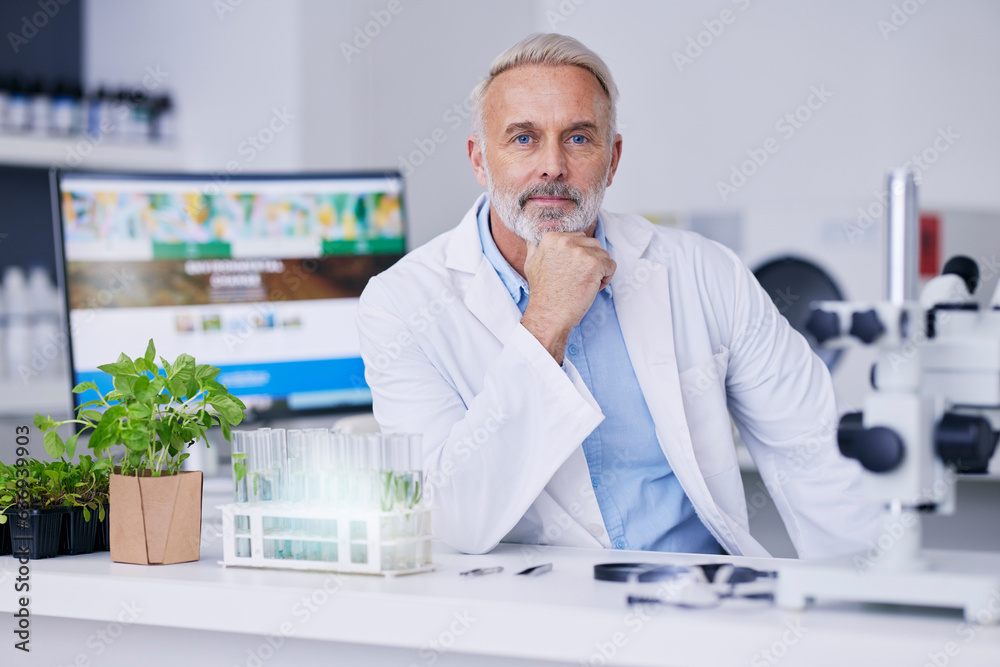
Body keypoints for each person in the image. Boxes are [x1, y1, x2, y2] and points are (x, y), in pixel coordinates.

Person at [357, 33, 880, 559]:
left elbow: (817, 455)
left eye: (579, 138)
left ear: (613, 158)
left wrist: (873, 610)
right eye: (522, 139)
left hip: (700, 606)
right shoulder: (402, 304)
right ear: (478, 160)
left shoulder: (704, 271)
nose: (553, 166)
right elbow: (454, 522)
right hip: (526, 621)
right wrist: (545, 322)